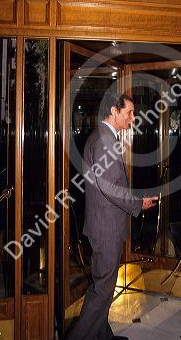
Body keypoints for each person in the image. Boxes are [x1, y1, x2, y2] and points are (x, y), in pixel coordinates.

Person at [66, 93, 158, 340]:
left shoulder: (100, 137)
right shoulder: (104, 141)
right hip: (105, 230)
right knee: (101, 291)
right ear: (113, 111)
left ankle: (102, 335)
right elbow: (110, 188)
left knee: (104, 289)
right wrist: (139, 203)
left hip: (103, 226)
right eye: (129, 112)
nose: (133, 117)